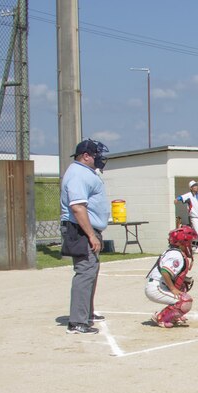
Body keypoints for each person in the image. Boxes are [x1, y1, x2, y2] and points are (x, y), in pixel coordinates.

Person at [60, 138, 111, 334]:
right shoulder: (78, 174)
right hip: (80, 230)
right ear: (86, 156)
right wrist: (91, 235)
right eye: (96, 155)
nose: (100, 158)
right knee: (85, 272)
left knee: (91, 271)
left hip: (86, 228)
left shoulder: (85, 173)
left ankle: (86, 313)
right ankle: (77, 322)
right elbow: (78, 207)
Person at [145, 226, 196, 328]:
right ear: (181, 243)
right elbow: (165, 271)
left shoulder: (174, 252)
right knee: (185, 301)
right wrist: (172, 288)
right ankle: (161, 317)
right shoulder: (176, 255)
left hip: (159, 285)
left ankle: (172, 315)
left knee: (182, 288)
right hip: (156, 288)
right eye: (188, 242)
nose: (190, 245)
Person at [175, 180, 198, 250]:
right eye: (194, 186)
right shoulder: (189, 195)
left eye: (196, 185)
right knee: (197, 232)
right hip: (194, 217)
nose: (196, 187)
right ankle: (196, 247)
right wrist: (176, 199)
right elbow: (181, 197)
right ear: (191, 188)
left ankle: (194, 247)